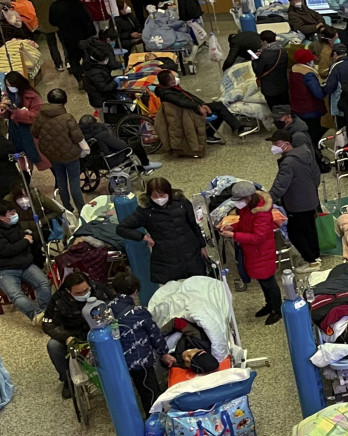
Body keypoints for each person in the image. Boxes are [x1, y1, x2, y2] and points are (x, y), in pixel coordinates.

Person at [117, 178, 210, 285]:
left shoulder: (182, 203)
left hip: (190, 251)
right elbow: (121, 228)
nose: (159, 199)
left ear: (169, 193)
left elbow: (194, 225)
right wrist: (143, 237)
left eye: (162, 195)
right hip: (166, 258)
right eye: (155, 196)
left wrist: (202, 246)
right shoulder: (145, 211)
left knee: (199, 284)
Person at [106, 273, 169, 415]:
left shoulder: (106, 310)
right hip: (139, 361)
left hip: (116, 361)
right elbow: (155, 335)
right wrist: (163, 353)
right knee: (149, 391)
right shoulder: (139, 312)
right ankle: (154, 419)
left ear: (114, 290)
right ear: (135, 291)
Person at [41, 272, 111, 399]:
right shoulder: (58, 298)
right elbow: (47, 324)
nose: (84, 294)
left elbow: (115, 306)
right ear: (68, 291)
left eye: (86, 290)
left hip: (101, 332)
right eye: (79, 293)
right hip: (74, 335)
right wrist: (66, 337)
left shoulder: (99, 290)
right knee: (53, 345)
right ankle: (68, 381)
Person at [221, 183, 282, 324]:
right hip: (252, 251)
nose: (237, 203)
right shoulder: (247, 208)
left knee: (268, 281)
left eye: (239, 199)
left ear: (248, 197)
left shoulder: (261, 212)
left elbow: (258, 237)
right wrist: (233, 227)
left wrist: (234, 235)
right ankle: (269, 305)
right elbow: (245, 225)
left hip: (262, 252)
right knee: (262, 280)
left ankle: (277, 309)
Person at [267, 129, 323, 269]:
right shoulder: (305, 153)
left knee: (295, 233)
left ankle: (311, 261)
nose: (273, 146)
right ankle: (315, 255)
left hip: (297, 204)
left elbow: (280, 185)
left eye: (276, 143)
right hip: (310, 199)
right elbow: (316, 175)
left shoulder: (288, 163)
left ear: (286, 144)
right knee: (310, 229)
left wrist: (267, 201)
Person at [156, 70, 250, 145]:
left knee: (219, 107)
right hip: (189, 112)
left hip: (193, 107)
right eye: (173, 78)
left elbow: (190, 96)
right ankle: (237, 128)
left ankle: (229, 129)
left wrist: (202, 104)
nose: (175, 79)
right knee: (219, 110)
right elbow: (182, 102)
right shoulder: (167, 94)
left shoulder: (171, 89)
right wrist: (199, 107)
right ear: (170, 82)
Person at [34, 89, 84, 212]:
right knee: (74, 182)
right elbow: (77, 137)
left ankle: (67, 208)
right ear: (64, 101)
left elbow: (34, 132)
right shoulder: (67, 117)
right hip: (70, 155)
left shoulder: (40, 115)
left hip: (52, 155)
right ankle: (82, 209)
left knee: (61, 180)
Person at [0, 200, 51, 321]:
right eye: (11, 213)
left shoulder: (15, 225)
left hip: (25, 264)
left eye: (14, 211)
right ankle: (37, 316)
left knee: (44, 283)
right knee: (16, 295)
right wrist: (26, 241)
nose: (14, 214)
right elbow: (7, 250)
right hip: (5, 270)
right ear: (2, 217)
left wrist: (27, 239)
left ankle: (46, 312)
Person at [79, 115, 160, 171]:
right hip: (111, 159)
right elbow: (122, 146)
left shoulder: (81, 135)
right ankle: (146, 164)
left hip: (96, 160)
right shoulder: (102, 134)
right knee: (135, 144)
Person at [288, 49, 329, 147]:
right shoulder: (308, 73)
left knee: (306, 131)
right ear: (307, 61)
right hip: (311, 109)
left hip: (298, 107)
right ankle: (314, 151)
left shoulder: (293, 69)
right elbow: (319, 94)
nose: (313, 61)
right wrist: (326, 87)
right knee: (314, 132)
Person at [2, 72, 42, 168]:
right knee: (21, 157)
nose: (9, 87)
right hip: (16, 132)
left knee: (40, 157)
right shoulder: (8, 95)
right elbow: (8, 115)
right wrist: (3, 110)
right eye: (7, 85)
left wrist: (17, 112)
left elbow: (36, 116)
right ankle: (25, 178)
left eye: (11, 85)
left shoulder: (32, 96)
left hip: (31, 131)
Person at [322, 44, 348, 129]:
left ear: (334, 54)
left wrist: (322, 87)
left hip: (341, 105)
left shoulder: (336, 67)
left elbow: (330, 87)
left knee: (342, 133)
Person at [47, 0, 92, 79]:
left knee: (73, 59)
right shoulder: (77, 4)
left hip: (67, 36)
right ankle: (89, 76)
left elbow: (52, 22)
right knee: (86, 55)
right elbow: (86, 18)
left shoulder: (54, 6)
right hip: (82, 35)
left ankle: (79, 79)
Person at [253, 35, 291, 109]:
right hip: (283, 86)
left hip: (270, 89)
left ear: (265, 42)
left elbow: (258, 71)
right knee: (286, 108)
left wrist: (254, 61)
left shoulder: (264, 55)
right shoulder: (283, 51)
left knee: (276, 110)